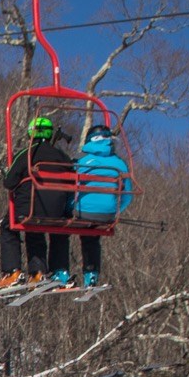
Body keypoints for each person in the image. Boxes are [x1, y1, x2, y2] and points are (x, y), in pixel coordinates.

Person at [0, 117, 75, 289]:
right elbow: (72, 184)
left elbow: (9, 182)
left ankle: (13, 271)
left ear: (31, 133)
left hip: (29, 207)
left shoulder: (26, 154)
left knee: (8, 226)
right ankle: (45, 271)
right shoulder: (63, 157)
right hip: (57, 211)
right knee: (49, 229)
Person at [63, 123, 131, 288]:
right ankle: (91, 273)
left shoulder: (82, 161)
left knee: (61, 228)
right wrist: (116, 210)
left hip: (80, 212)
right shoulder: (120, 164)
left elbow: (68, 187)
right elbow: (127, 194)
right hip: (107, 214)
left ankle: (60, 271)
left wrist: (68, 206)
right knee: (92, 237)